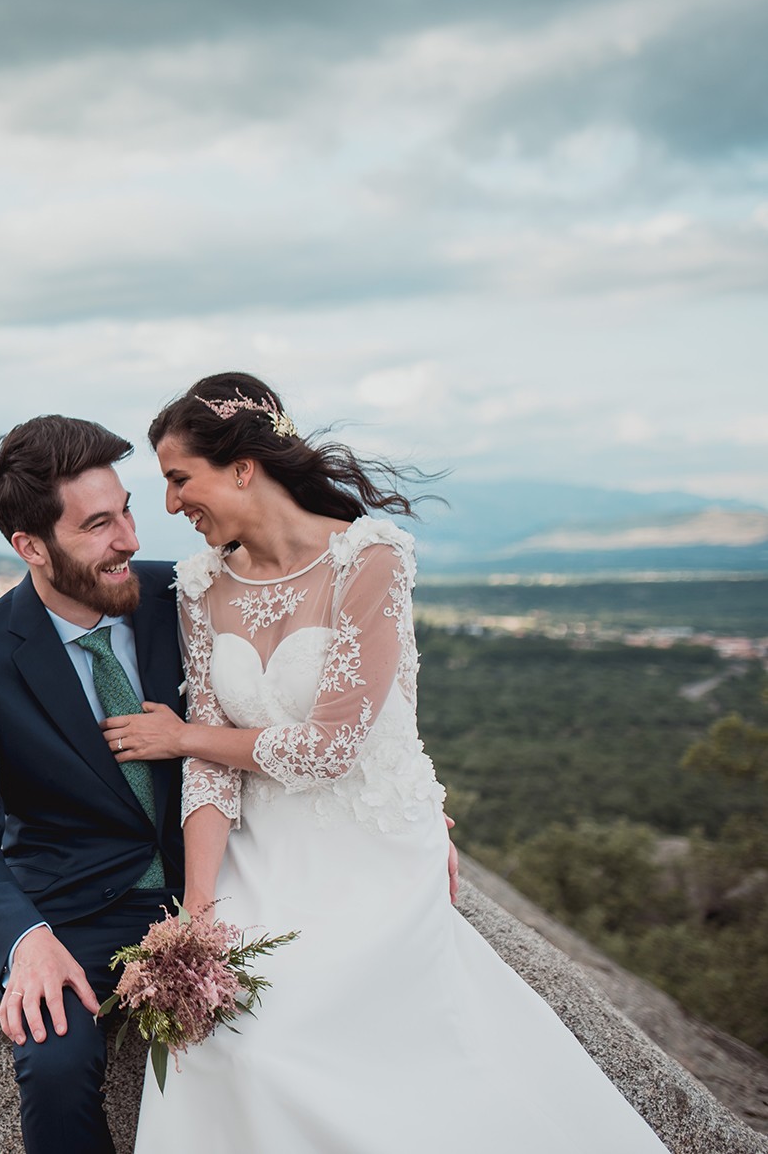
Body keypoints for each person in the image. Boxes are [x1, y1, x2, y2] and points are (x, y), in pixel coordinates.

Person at [110, 371, 666, 1153]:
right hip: (258, 853)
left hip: (366, 845)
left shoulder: (367, 560)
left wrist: (183, 736)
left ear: (241, 466)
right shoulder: (200, 585)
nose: (169, 504)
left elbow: (329, 745)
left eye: (177, 478)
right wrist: (197, 910)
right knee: (223, 1037)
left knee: (295, 1044)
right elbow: (211, 768)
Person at [0, 414, 189, 1154]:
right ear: (30, 545)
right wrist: (25, 940)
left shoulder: (185, 597)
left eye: (126, 509)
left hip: (222, 885)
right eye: (97, 525)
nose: (130, 539)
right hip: (75, 911)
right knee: (54, 1059)